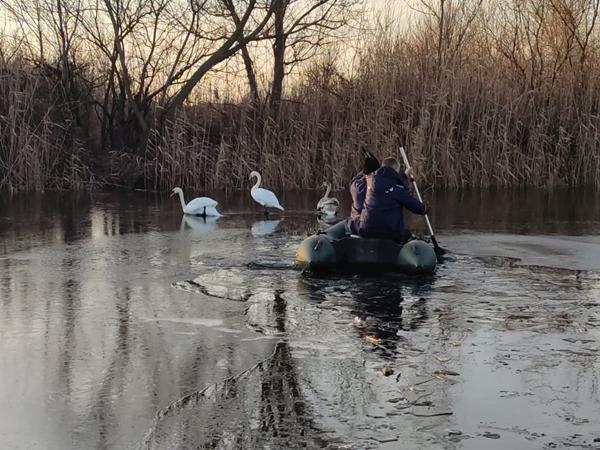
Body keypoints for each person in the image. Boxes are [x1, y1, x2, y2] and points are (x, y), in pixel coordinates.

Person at [358, 156, 427, 244]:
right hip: (388, 233)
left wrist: (404, 176)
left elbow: (390, 184)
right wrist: (424, 208)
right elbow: (414, 205)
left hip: (366, 230)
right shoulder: (398, 188)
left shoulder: (371, 182)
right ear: (396, 171)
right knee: (408, 234)